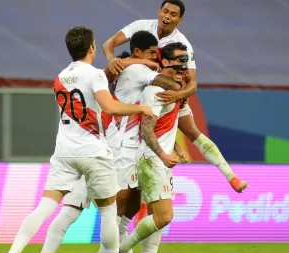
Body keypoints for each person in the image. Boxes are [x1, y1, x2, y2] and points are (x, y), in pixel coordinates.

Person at [0, 26, 154, 253]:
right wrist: (141, 108)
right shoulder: (95, 75)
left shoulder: (59, 78)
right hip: (93, 152)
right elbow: (109, 107)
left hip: (64, 152)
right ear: (91, 48)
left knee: (45, 206)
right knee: (109, 213)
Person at [30, 30, 182, 253]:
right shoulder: (137, 72)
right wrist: (182, 86)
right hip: (109, 151)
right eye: (152, 53)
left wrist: (135, 60)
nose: (157, 59)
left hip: (114, 149)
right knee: (94, 209)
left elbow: (116, 67)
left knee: (127, 208)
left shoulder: (126, 72)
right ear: (137, 52)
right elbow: (170, 84)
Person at [102, 0, 248, 192]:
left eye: (172, 14)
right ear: (159, 11)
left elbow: (192, 83)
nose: (167, 17)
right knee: (143, 130)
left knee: (192, 131)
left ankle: (231, 177)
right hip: (146, 89)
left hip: (168, 93)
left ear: (180, 20)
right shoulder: (141, 27)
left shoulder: (184, 45)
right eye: (165, 11)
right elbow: (108, 44)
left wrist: (178, 95)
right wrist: (113, 60)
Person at [117, 43, 190, 253]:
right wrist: (163, 154)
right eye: (179, 61)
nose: (183, 66)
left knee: (154, 216)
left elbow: (161, 127)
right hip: (151, 158)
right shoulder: (156, 90)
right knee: (164, 216)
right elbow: (146, 129)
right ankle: (117, 252)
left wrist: (176, 147)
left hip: (160, 159)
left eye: (186, 61)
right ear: (165, 62)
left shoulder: (175, 90)